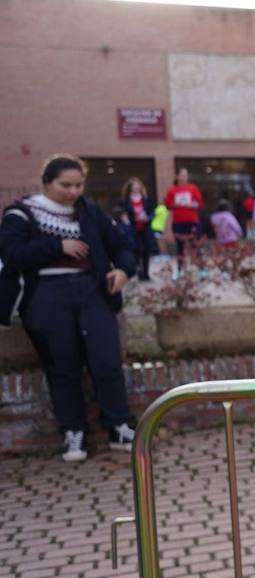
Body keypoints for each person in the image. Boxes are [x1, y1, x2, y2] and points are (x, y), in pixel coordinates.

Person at [0, 156, 138, 461]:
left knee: (106, 359)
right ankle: (74, 432)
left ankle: (118, 425)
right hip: (45, 296)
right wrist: (56, 247)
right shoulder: (21, 214)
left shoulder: (89, 212)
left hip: (92, 291)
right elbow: (11, 254)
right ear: (47, 182)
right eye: (66, 185)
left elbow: (124, 246)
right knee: (63, 366)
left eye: (78, 185)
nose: (73, 191)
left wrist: (124, 271)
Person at [119, 177, 158, 280]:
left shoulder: (146, 200)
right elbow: (121, 212)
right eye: (134, 187)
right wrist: (127, 219)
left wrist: (148, 218)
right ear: (130, 189)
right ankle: (137, 271)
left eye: (138, 187)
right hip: (132, 229)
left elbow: (153, 213)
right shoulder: (125, 201)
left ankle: (146, 273)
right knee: (135, 250)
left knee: (146, 251)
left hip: (145, 228)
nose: (136, 189)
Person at [163, 167, 204, 263]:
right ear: (177, 176)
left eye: (185, 175)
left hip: (192, 221)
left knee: (195, 245)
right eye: (181, 175)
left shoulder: (193, 188)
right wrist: (175, 204)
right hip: (178, 222)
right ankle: (181, 269)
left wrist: (192, 204)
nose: (183, 177)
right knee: (180, 247)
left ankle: (198, 268)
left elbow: (200, 204)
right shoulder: (172, 190)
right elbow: (167, 206)